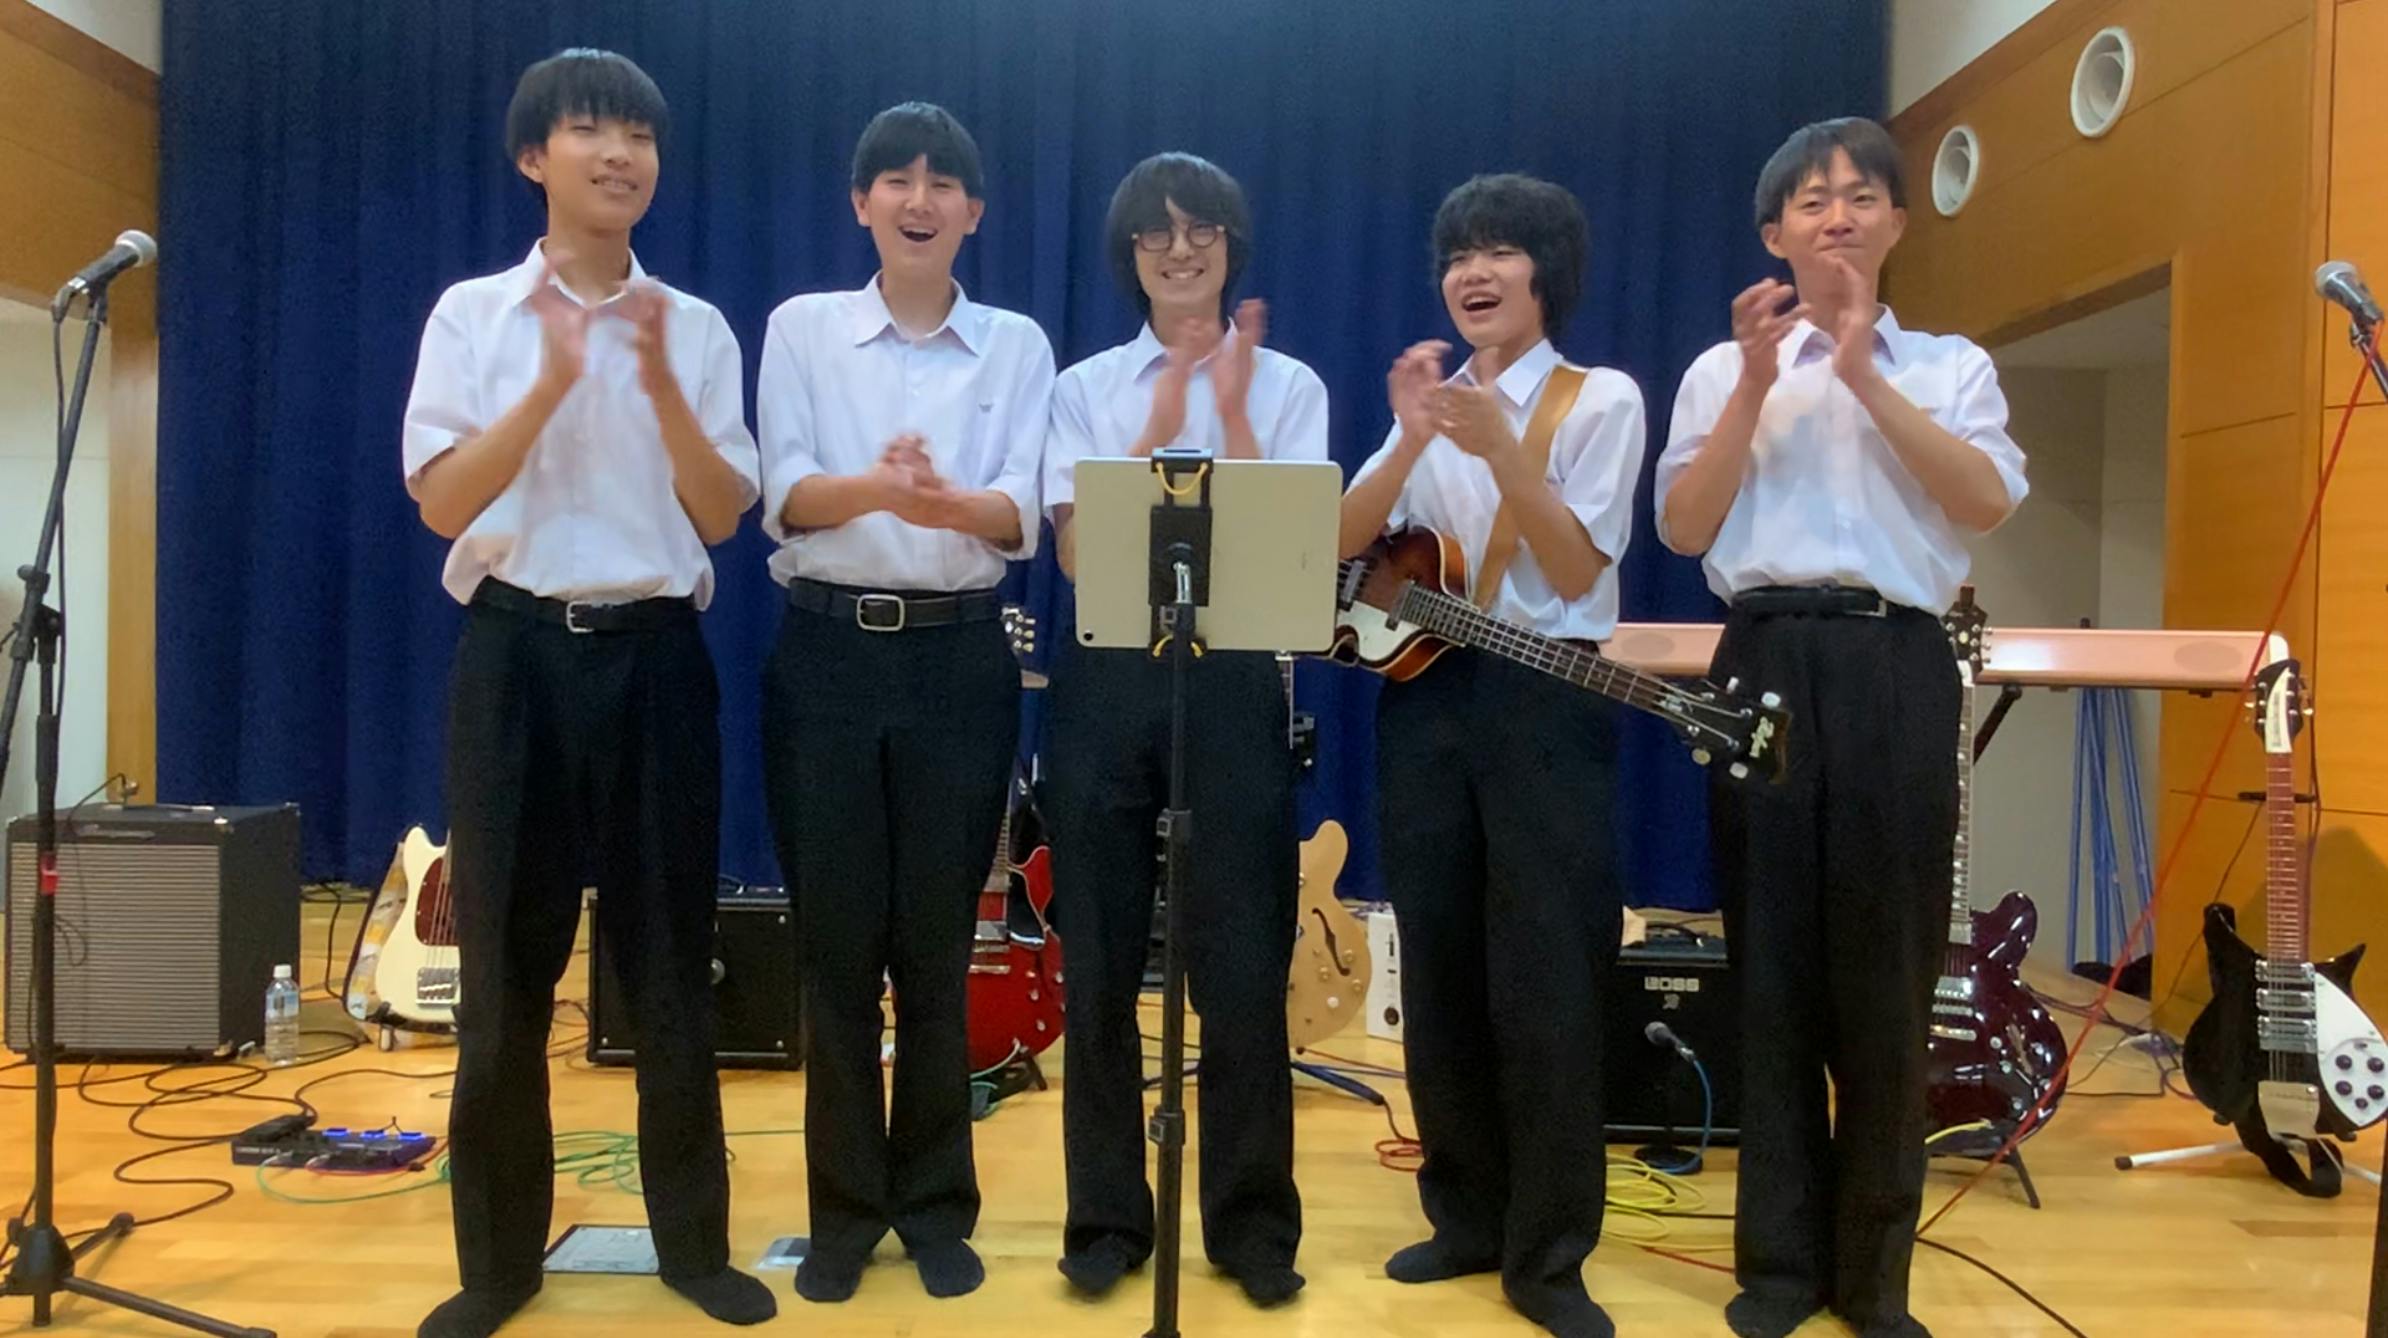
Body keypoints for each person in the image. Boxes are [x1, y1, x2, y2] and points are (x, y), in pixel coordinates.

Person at [399, 48, 772, 1338]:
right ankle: (498, 1265)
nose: (621, 154)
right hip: (513, 656)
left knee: (671, 966)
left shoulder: (696, 328)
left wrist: (654, 377)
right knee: (504, 973)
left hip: (657, 656)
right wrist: (554, 381)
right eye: (591, 131)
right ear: (532, 157)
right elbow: (442, 501)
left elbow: (719, 515)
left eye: (639, 136)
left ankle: (694, 1248)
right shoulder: (473, 316)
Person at [1653, 116, 2028, 1338]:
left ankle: (1873, 1284)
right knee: (1768, 973)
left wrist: (1865, 373)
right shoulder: (1720, 370)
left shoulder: (1951, 365)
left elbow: (1984, 501)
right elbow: (1685, 529)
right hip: (1760, 653)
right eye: (1811, 201)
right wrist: (1758, 381)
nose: (1837, 217)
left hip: (1896, 660)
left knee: (1886, 981)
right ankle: (1776, 1270)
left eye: (1861, 196)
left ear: (1898, 223)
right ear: (1775, 233)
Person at [755, 101, 1054, 1304]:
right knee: (835, 951)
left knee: (937, 949)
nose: (919, 200)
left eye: (943, 184)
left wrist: (932, 505)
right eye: (897, 180)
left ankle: (934, 1207)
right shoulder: (802, 329)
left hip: (957, 660)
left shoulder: (1015, 345)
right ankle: (841, 1217)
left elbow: (1021, 514)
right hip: (825, 656)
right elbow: (783, 495)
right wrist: (881, 490)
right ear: (861, 203)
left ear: (974, 212)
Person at [1338, 172, 1645, 1338]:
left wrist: (1504, 448)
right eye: (1460, 252)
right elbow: (1343, 543)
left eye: (1500, 250)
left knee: (1550, 975)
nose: (1474, 271)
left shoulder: (1598, 398)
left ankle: (1550, 1253)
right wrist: (1411, 437)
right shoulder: (1435, 401)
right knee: (1441, 960)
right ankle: (1464, 1215)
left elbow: (1573, 570)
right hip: (1425, 693)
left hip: (1549, 694)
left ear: (1545, 271)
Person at [1040, 151, 1326, 1309]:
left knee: (1244, 966)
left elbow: (1287, 544)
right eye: (1155, 233)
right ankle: (1108, 1220)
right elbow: (1075, 550)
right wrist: (1163, 414)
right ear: (1131, 254)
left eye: (1201, 228)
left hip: (1238, 673)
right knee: (1101, 964)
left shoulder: (1291, 383)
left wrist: (1235, 407)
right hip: (1109, 668)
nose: (1179, 249)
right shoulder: (1085, 385)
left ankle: (1252, 1228)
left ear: (1230, 244)